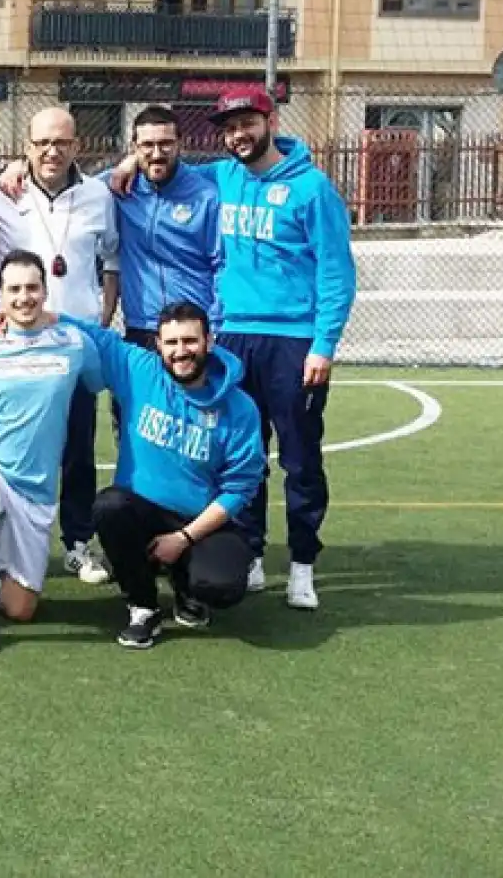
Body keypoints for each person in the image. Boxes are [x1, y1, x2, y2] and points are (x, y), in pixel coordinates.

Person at [105, 86, 356, 608]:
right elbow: (162, 160)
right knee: (243, 449)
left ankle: (303, 564)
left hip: (292, 339)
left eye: (247, 123)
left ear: (270, 120)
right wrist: (131, 157)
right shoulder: (220, 176)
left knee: (301, 457)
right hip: (233, 334)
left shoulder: (312, 189)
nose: (238, 134)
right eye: (229, 127)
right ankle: (253, 552)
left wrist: (323, 344)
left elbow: (336, 273)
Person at [52, 302, 265, 650]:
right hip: (142, 512)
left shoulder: (239, 407)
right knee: (109, 507)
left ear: (209, 341)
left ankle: (187, 588)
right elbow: (96, 335)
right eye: (172, 342)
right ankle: (143, 606)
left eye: (190, 341)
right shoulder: (140, 370)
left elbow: (240, 487)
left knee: (222, 586)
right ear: (158, 344)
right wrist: (48, 315)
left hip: (198, 519)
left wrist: (184, 537)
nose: (181, 351)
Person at [0, 250, 104, 656]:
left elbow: (97, 382)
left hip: (37, 488)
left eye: (32, 288)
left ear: (45, 291)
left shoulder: (74, 342)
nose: (24, 297)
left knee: (22, 608)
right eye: (14, 289)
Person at [0, 106, 119, 586]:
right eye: (41, 143)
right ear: (27, 145)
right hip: (15, 348)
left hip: (74, 344)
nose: (51, 151)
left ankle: (78, 543)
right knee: (11, 449)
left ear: (76, 146)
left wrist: (103, 315)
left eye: (61, 142)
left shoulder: (100, 195)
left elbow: (112, 258)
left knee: (78, 447)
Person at [109, 107, 222, 351]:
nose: (157, 153)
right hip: (141, 326)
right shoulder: (119, 187)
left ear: (180, 144)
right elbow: (72, 185)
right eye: (147, 145)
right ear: (134, 147)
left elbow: (222, 265)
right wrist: (19, 169)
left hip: (191, 327)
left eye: (166, 144)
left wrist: (213, 324)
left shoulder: (206, 196)